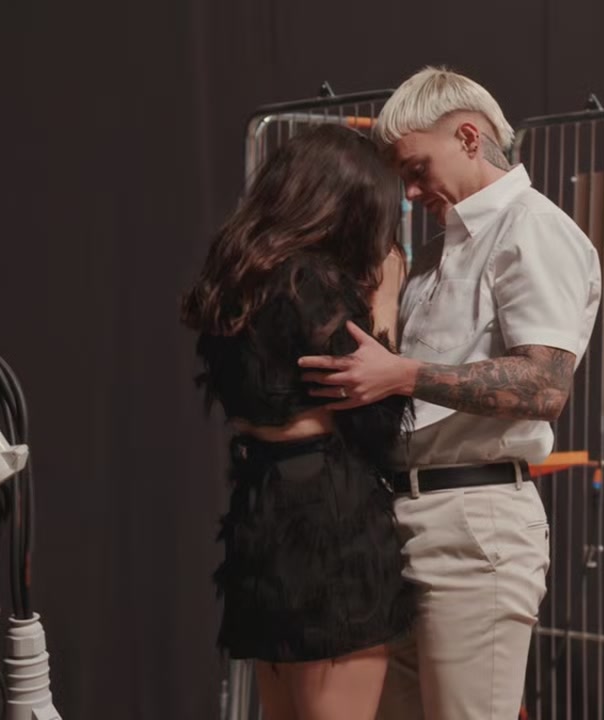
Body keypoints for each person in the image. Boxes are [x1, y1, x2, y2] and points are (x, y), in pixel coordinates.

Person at [298, 67, 602, 719]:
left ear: (468, 137)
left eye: (416, 170)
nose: (409, 193)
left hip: (473, 521)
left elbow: (545, 385)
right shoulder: (443, 251)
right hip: (406, 517)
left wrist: (402, 375)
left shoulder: (532, 229)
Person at [180, 123, 416, 720]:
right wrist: (386, 299)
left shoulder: (239, 272)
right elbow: (378, 421)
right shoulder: (312, 283)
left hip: (260, 507)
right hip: (325, 521)